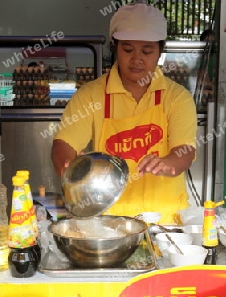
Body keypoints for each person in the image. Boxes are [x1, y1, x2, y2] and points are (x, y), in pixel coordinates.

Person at [51, 2, 197, 223]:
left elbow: (185, 151)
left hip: (166, 222)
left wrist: (169, 163)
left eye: (147, 50)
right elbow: (63, 145)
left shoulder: (177, 97)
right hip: (110, 223)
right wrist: (69, 168)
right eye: (127, 49)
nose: (137, 58)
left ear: (159, 51)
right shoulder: (90, 96)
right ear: (115, 47)